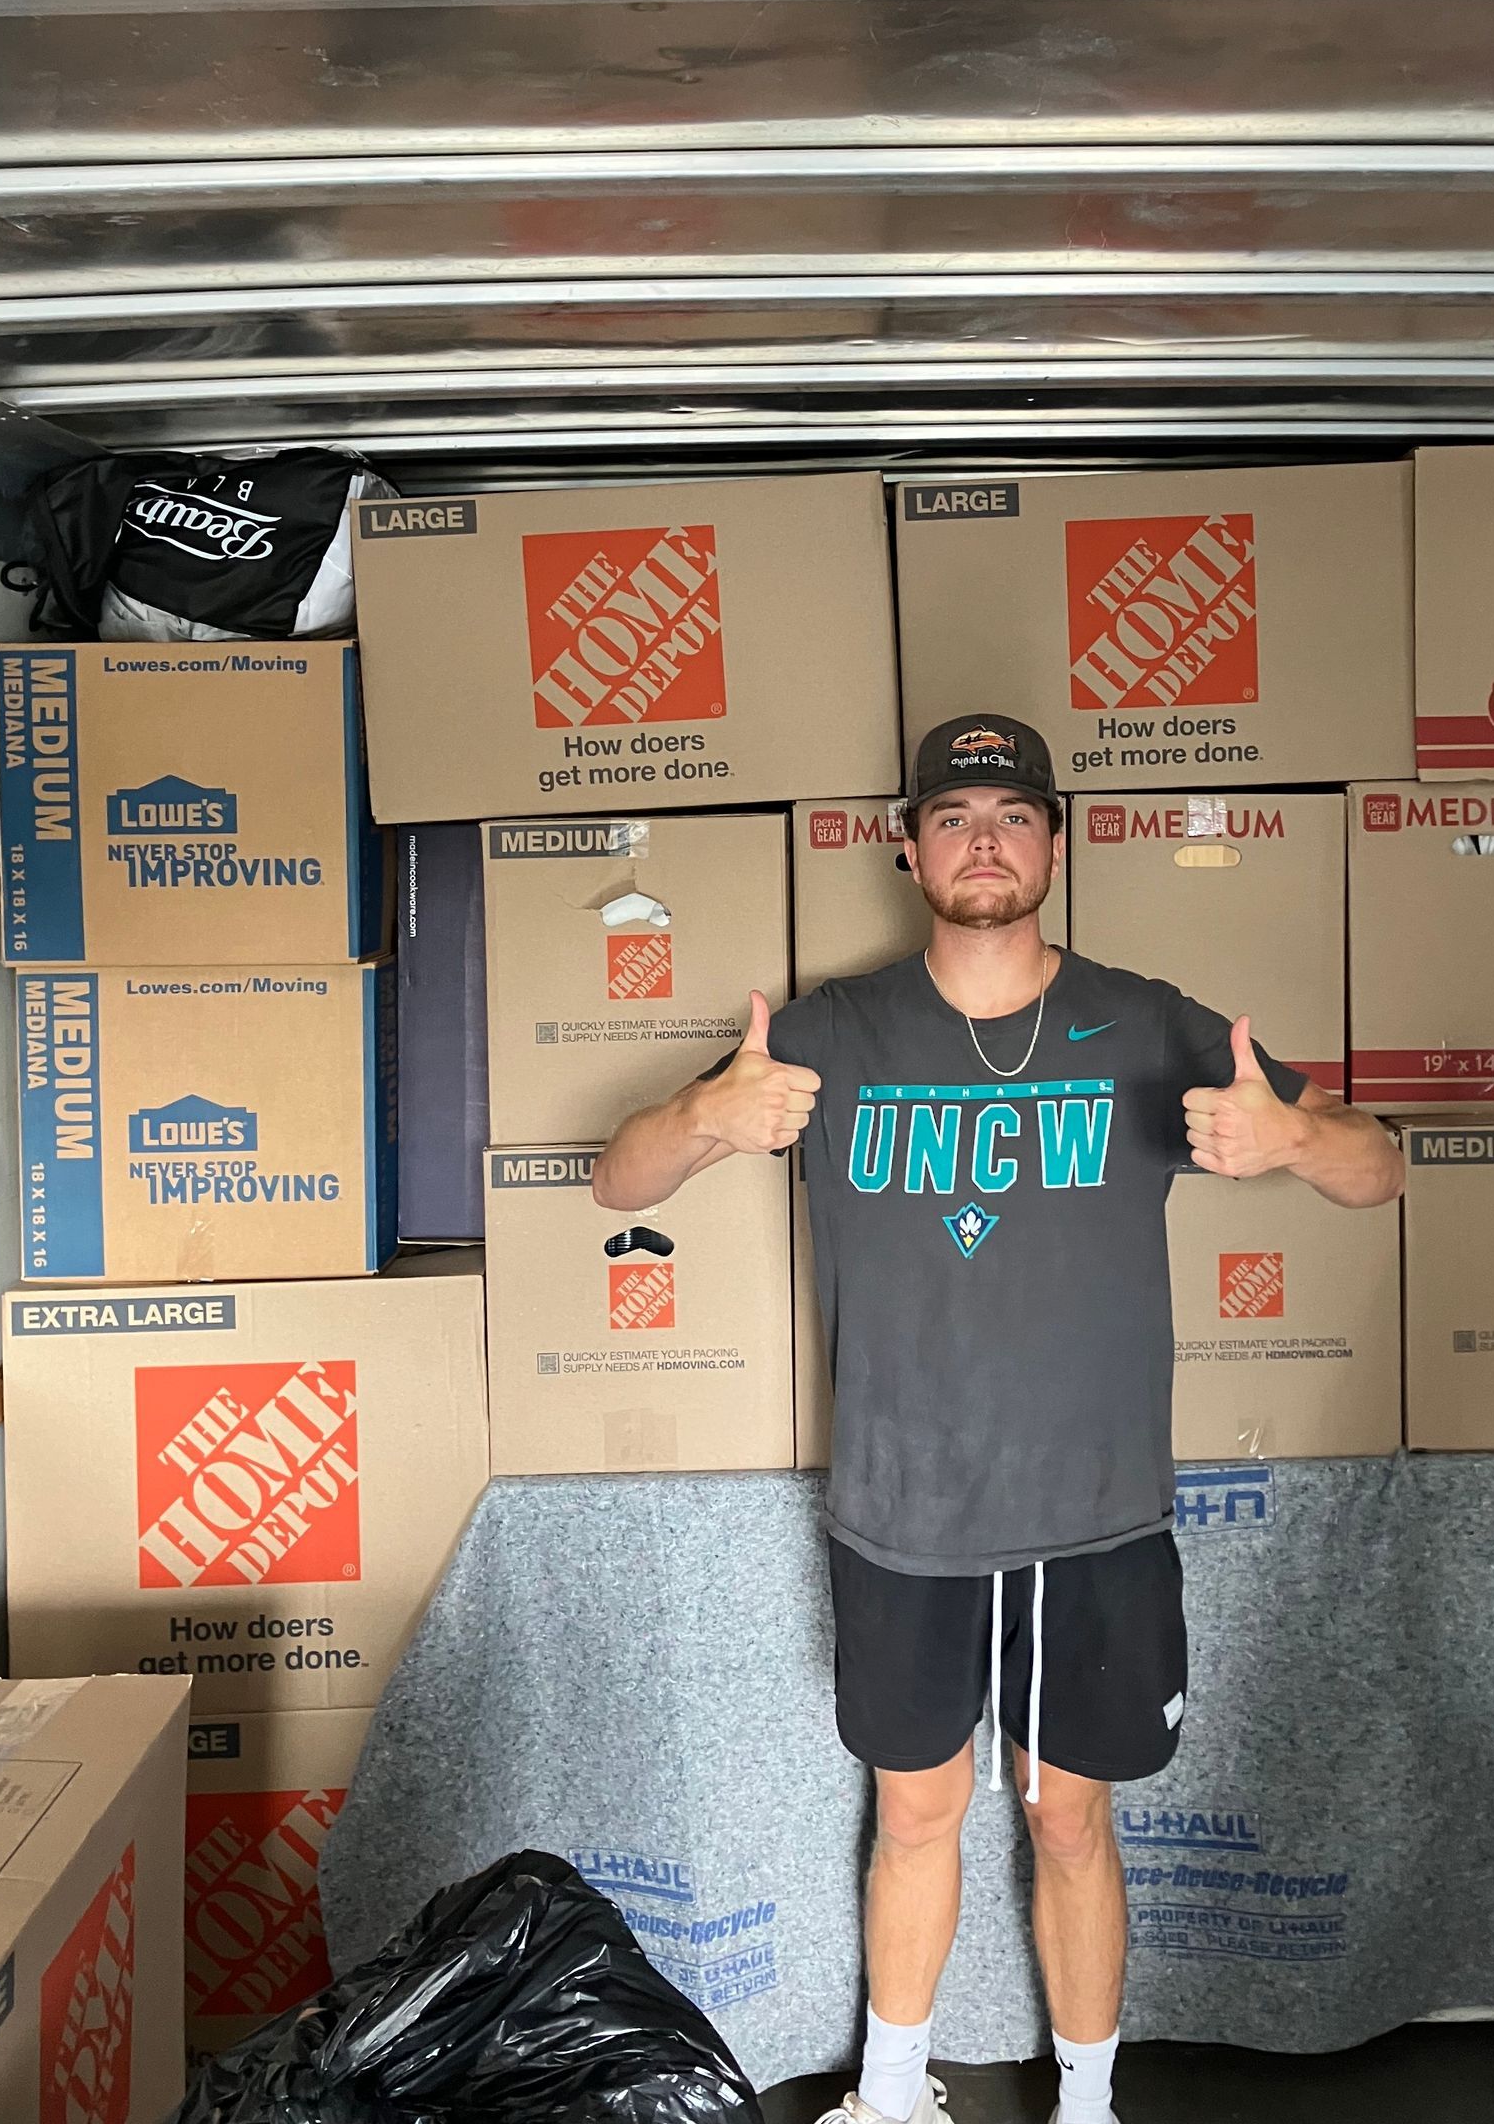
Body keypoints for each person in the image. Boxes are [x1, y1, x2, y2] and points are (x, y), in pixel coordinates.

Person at [593, 715, 1404, 2124]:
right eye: (954, 814)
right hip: (904, 1516)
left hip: (1094, 1514)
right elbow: (617, 1183)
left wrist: (1294, 1140)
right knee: (915, 1816)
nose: (984, 838)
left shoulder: (1147, 1021)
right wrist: (713, 1116)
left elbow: (1377, 1169)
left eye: (1013, 814)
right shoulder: (830, 1035)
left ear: (1056, 842)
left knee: (1071, 1821)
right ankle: (892, 2095)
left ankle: (1088, 2106)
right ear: (907, 846)